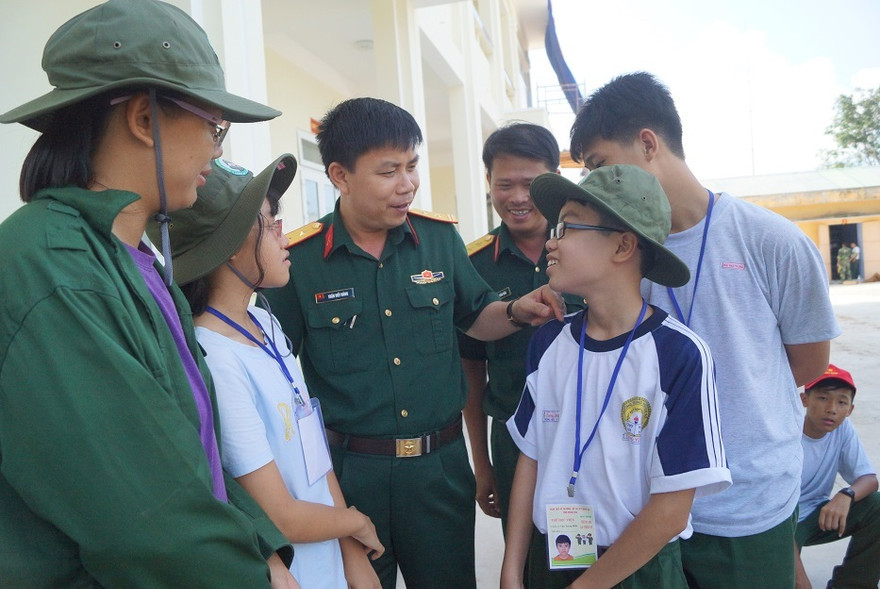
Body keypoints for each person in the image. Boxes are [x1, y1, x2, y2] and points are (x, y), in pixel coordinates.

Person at [0, 1, 297, 586]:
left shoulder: (134, 259)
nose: (218, 149)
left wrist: (263, 550)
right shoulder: (53, 268)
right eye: (214, 127)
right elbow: (146, 523)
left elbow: (192, 458)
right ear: (143, 118)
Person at [263, 97, 564, 589]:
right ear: (339, 175)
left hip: (437, 471)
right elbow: (274, 373)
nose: (407, 184)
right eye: (389, 171)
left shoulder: (438, 240)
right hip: (349, 475)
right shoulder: (300, 260)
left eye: (411, 166)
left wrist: (514, 311)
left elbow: (475, 316)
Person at [568, 71, 840, 588]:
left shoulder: (771, 240)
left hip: (745, 504)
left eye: (601, 165)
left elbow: (809, 364)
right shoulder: (619, 252)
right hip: (646, 507)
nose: (596, 185)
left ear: (648, 144)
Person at [147, 154, 387, 588]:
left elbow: (314, 456)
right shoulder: (215, 358)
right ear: (231, 244)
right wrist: (356, 523)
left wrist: (351, 552)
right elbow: (279, 516)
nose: (285, 239)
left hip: (329, 560)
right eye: (271, 225)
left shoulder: (265, 322)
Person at [500, 165, 731, 589]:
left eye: (567, 227)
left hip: (638, 568)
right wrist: (512, 570)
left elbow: (672, 509)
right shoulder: (549, 342)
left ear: (623, 246)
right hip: (554, 558)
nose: (551, 241)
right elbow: (531, 459)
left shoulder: (679, 355)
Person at [458, 124, 583, 566]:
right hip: (513, 439)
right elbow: (472, 370)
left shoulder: (590, 249)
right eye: (503, 184)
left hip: (587, 436)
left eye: (530, 184)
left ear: (554, 181)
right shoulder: (473, 264)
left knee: (581, 557)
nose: (517, 198)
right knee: (525, 559)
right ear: (488, 182)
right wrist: (483, 463)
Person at [794, 364, 880, 589]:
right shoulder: (788, 434)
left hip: (818, 513)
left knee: (876, 505)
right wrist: (802, 581)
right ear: (804, 399)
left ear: (850, 409)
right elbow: (771, 511)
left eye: (841, 402)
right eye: (823, 398)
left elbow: (869, 479)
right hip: (782, 521)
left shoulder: (842, 429)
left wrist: (846, 494)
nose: (832, 409)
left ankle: (852, 584)